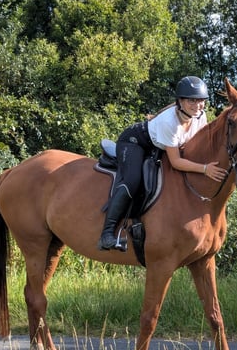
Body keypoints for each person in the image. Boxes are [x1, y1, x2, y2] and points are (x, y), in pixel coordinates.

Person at [97, 76, 229, 250]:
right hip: (134, 142)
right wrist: (205, 169)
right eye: (192, 100)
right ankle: (107, 234)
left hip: (160, 145)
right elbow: (176, 162)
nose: (198, 105)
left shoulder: (200, 116)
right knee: (132, 180)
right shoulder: (170, 123)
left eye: (201, 100)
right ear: (180, 101)